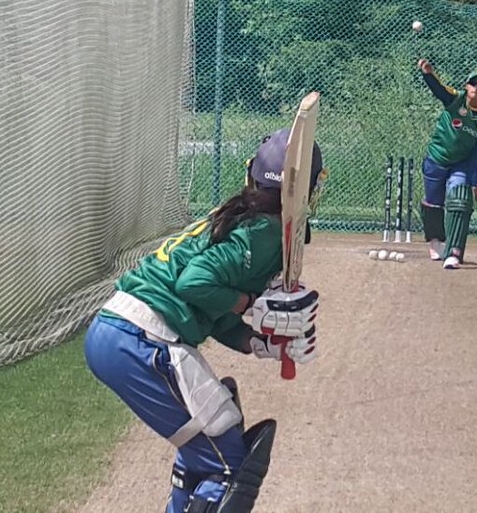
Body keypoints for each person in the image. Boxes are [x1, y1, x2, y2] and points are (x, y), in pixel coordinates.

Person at [84, 128, 323, 513]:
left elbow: (211, 307)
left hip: (120, 331)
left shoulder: (246, 218)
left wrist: (257, 342)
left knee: (208, 446)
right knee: (228, 465)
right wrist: (251, 301)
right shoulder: (265, 232)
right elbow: (195, 283)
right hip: (142, 338)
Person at [416, 58, 477, 269]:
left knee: (460, 198)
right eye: (473, 84)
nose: (476, 88)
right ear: (466, 86)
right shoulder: (455, 99)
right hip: (437, 158)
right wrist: (427, 73)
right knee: (433, 203)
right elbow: (438, 90)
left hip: (461, 163)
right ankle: (435, 241)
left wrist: (474, 182)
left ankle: (454, 253)